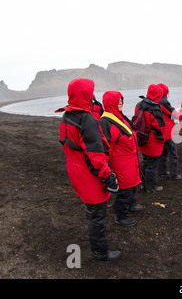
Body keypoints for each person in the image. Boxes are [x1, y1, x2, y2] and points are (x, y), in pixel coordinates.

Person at [55, 78, 121, 261]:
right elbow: (95, 155)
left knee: (92, 211)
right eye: (90, 91)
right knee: (97, 214)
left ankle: (99, 249)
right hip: (88, 173)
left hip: (75, 169)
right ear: (85, 93)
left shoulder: (67, 116)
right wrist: (109, 177)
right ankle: (101, 252)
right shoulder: (87, 120)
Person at [99, 91, 142, 227]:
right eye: (118, 101)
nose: (121, 103)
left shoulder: (119, 117)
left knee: (132, 185)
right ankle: (120, 215)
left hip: (130, 159)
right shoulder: (106, 122)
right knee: (125, 189)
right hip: (121, 162)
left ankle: (130, 205)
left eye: (122, 100)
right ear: (111, 103)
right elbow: (105, 147)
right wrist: (106, 168)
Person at [135, 84, 166, 193]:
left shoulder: (139, 104)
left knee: (146, 161)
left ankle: (143, 184)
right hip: (152, 140)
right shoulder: (154, 108)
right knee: (152, 164)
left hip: (142, 136)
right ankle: (151, 187)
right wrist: (162, 138)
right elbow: (159, 127)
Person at [156, 83, 182, 180]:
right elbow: (173, 113)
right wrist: (181, 117)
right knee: (173, 154)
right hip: (167, 132)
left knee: (163, 153)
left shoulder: (155, 101)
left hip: (160, 131)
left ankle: (162, 171)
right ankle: (173, 175)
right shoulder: (163, 101)